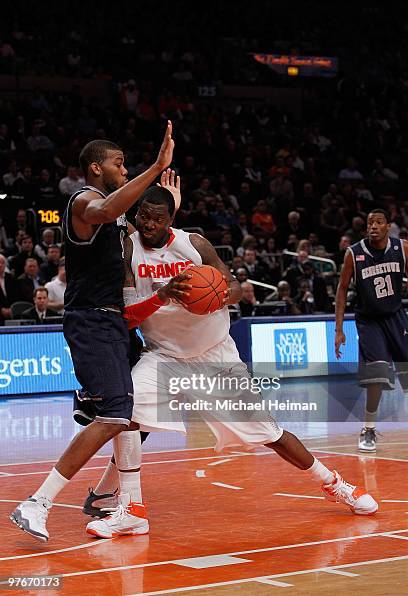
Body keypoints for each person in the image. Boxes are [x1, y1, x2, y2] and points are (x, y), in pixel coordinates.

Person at [84, 181, 378, 539]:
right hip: (164, 356)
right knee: (126, 415)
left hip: (215, 358)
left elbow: (235, 287)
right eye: (143, 217)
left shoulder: (194, 244)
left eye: (156, 218)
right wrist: (163, 297)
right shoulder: (129, 250)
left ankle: (333, 484)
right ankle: (132, 510)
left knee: (269, 433)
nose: (148, 224)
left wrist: (215, 296)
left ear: (170, 219)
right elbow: (128, 316)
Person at [10, 121, 176, 542]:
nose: (124, 168)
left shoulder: (119, 217)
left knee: (142, 409)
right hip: (91, 320)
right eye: (118, 163)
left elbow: (150, 242)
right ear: (96, 168)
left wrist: (169, 205)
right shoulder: (84, 200)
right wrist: (155, 168)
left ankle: (129, 507)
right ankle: (37, 503)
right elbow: (105, 211)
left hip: (116, 321)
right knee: (116, 414)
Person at [335, 209, 408, 452]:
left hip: (396, 316)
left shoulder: (402, 248)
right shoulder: (354, 254)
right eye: (370, 223)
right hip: (369, 321)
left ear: (388, 226)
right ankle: (368, 429)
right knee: (376, 375)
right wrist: (339, 329)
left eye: (378, 222)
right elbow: (342, 289)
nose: (373, 226)